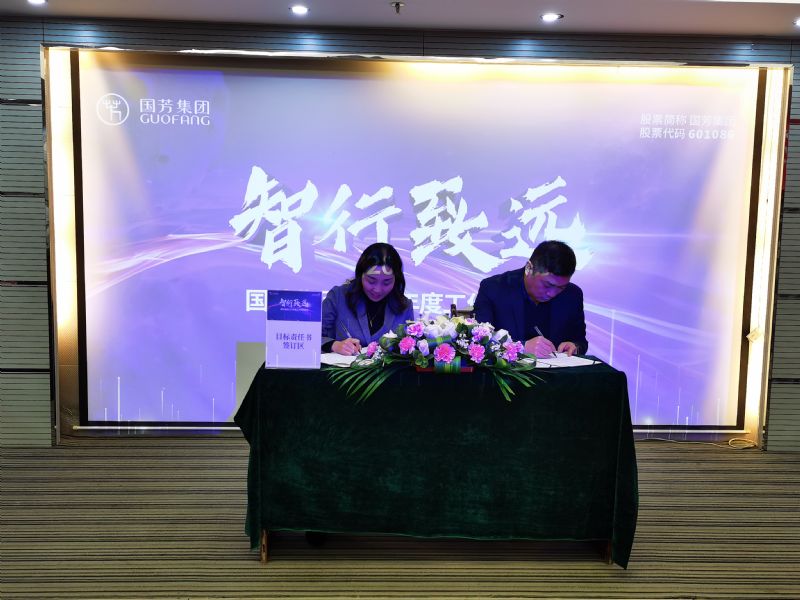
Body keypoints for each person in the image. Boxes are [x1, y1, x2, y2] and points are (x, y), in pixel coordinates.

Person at [474, 240, 587, 358]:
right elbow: (479, 339)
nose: (552, 293)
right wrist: (521, 347)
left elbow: (580, 341)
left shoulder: (572, 295)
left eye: (561, 288)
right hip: (508, 368)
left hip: (557, 368)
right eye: (547, 285)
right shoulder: (494, 288)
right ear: (529, 268)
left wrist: (574, 347)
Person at [322, 242, 415, 356]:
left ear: (396, 279)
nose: (378, 289)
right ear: (360, 275)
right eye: (371, 281)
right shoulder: (338, 297)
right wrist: (334, 345)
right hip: (341, 367)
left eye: (386, 282)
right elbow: (312, 336)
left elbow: (410, 350)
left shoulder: (404, 307)